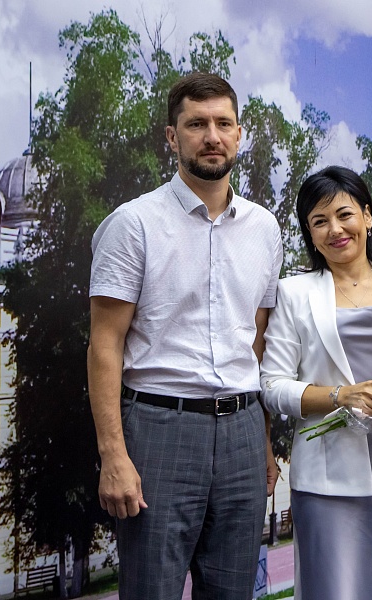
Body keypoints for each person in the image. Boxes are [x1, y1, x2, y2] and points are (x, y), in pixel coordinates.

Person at [87, 72, 283, 599]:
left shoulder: (265, 230)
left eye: (223, 123)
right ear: (172, 137)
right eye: (196, 124)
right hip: (158, 432)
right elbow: (104, 346)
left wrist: (263, 442)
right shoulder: (133, 225)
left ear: (239, 134)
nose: (211, 136)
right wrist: (113, 455)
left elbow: (257, 343)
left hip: (243, 432)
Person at [260, 166, 372, 600]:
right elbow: (272, 386)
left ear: (367, 216)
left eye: (344, 215)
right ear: (310, 233)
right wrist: (342, 396)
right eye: (320, 221)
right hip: (328, 479)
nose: (335, 230)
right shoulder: (293, 293)